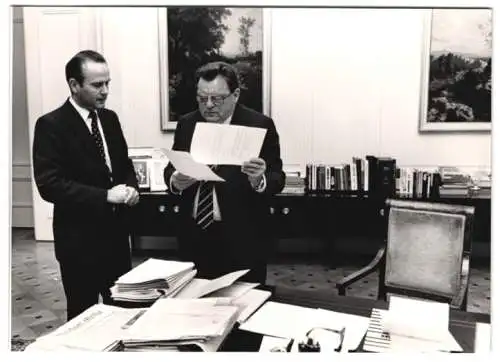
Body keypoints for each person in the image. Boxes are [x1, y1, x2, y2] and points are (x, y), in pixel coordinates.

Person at [32, 50, 140, 320]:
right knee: (85, 320)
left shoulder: (109, 118)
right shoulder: (50, 125)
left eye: (108, 83)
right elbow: (50, 185)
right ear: (74, 85)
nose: (105, 91)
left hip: (116, 240)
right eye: (97, 85)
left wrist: (131, 188)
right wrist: (105, 196)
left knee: (123, 315)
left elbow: (123, 166)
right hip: (79, 244)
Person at [163, 61, 285, 284]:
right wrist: (175, 180)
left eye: (217, 99)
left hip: (244, 238)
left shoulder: (260, 125)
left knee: (245, 308)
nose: (208, 105)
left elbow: (278, 178)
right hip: (195, 236)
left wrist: (259, 180)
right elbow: (171, 168)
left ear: (235, 94)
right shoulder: (187, 123)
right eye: (202, 98)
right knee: (194, 310)